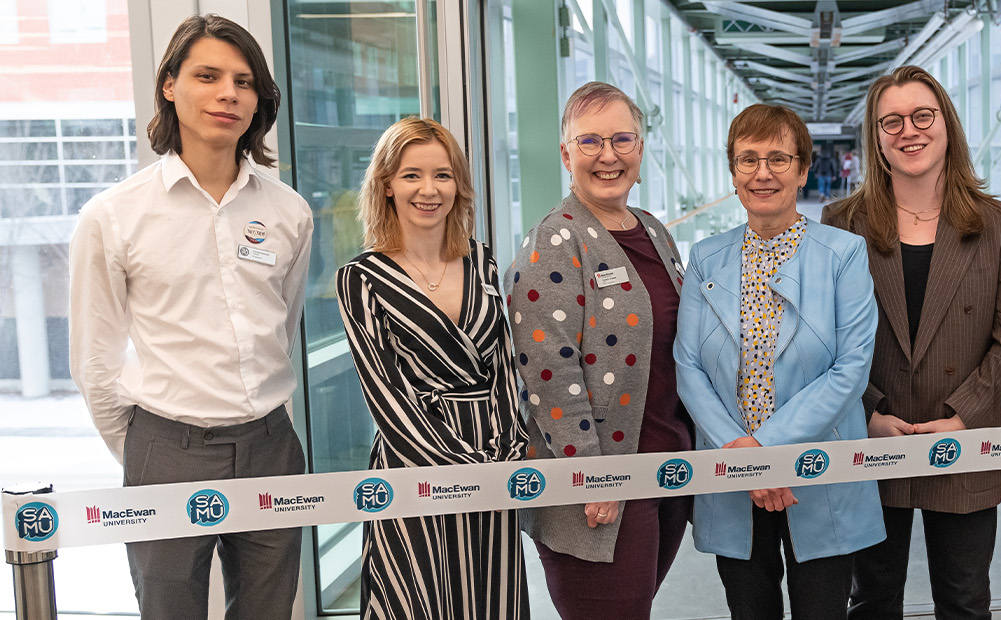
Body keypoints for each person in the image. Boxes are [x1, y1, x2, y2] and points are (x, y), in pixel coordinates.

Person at [67, 15, 310, 619]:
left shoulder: (289, 212)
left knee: (269, 612)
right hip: (166, 447)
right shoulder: (114, 216)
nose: (228, 93)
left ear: (259, 102)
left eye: (244, 81)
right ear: (169, 85)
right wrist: (145, 450)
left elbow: (284, 323)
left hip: (271, 445)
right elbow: (94, 359)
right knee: (169, 609)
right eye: (207, 75)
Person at [823, 65, 1001, 620]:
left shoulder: (996, 223)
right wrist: (867, 410)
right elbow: (823, 338)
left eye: (922, 116)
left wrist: (963, 415)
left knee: (964, 601)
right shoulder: (841, 223)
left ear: (946, 125)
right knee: (871, 599)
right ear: (876, 138)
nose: (908, 130)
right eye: (891, 121)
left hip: (961, 439)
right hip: (872, 438)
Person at [676, 103, 884, 620]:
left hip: (817, 467)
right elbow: (688, 365)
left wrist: (762, 452)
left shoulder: (844, 254)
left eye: (777, 158)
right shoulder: (705, 257)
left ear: (803, 169)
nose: (762, 173)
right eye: (748, 159)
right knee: (749, 610)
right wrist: (743, 455)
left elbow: (851, 368)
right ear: (733, 171)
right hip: (733, 472)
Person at [505, 81, 692, 619]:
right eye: (590, 142)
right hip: (600, 484)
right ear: (566, 154)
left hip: (664, 465)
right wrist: (592, 476)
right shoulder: (555, 241)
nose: (608, 156)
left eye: (622, 139)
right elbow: (546, 371)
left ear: (639, 147)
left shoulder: (652, 231)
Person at [336, 118, 529, 619]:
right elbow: (384, 394)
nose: (429, 190)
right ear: (386, 184)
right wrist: (460, 467)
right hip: (414, 465)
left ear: (459, 184)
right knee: (416, 597)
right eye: (411, 175)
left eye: (443, 175)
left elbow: (504, 363)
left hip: (494, 457)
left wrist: (508, 449)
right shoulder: (360, 279)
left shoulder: (482, 260)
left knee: (491, 594)